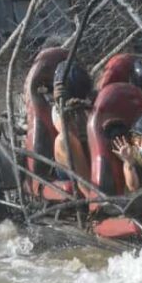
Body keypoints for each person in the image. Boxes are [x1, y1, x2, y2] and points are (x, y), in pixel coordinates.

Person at [52, 61, 93, 191]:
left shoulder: (93, 99)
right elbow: (66, 131)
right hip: (70, 165)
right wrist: (66, 109)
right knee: (64, 140)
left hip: (95, 154)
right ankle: (93, 197)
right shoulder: (57, 109)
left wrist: (88, 106)